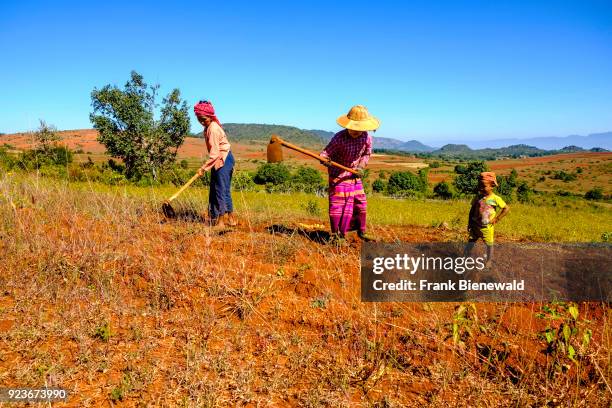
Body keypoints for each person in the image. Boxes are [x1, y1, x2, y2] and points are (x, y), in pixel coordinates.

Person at [320, 105, 379, 242]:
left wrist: (360, 167)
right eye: (354, 128)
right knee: (338, 206)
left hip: (353, 175)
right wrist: (324, 159)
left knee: (361, 203)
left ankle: (361, 231)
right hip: (338, 176)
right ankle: (337, 236)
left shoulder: (367, 138)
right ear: (348, 125)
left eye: (360, 129)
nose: (356, 132)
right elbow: (325, 153)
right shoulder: (339, 138)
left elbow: (366, 154)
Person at [194, 100, 237, 228]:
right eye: (199, 119)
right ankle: (231, 219)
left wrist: (203, 169)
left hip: (222, 159)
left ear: (210, 116)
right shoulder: (209, 127)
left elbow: (214, 154)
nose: (202, 121)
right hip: (225, 158)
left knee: (219, 190)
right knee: (223, 189)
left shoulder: (212, 128)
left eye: (204, 119)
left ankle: (221, 222)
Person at [466, 172, 510, 265]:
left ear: (492, 186)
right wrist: (469, 223)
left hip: (487, 228)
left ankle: (489, 261)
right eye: (479, 185)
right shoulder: (477, 197)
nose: (481, 188)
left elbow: (506, 208)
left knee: (489, 245)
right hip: (475, 226)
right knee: (470, 242)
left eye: (484, 186)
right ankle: (466, 258)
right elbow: (472, 209)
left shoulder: (495, 198)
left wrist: (496, 219)